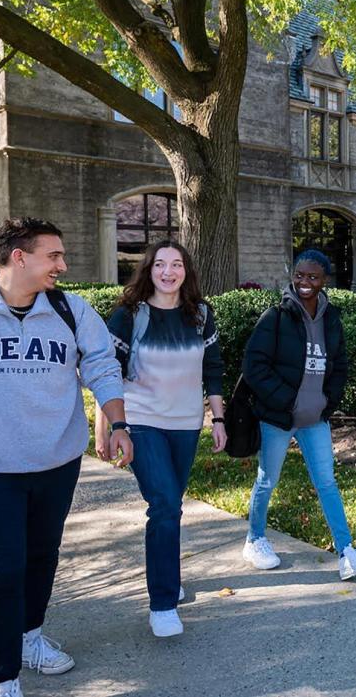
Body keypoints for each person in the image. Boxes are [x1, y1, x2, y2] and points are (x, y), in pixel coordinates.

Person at [0, 218, 132, 697]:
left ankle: (30, 637)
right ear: (19, 257)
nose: (63, 265)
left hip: (56, 467)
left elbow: (101, 366)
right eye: (53, 255)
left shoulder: (72, 311)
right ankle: (4, 678)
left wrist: (118, 424)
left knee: (41, 559)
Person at [95, 240, 226, 638]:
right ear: (148, 270)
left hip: (186, 425)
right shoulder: (129, 315)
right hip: (141, 422)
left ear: (187, 271)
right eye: (161, 265)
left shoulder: (200, 315)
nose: (169, 272)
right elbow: (107, 373)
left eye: (177, 264)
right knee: (165, 504)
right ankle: (163, 603)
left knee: (172, 505)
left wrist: (218, 418)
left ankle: (167, 573)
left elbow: (214, 370)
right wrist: (105, 427)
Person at [242, 248, 356, 580]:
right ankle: (255, 539)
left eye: (312, 277)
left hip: (316, 419)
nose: (304, 282)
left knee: (327, 482)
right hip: (278, 417)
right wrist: (287, 401)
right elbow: (254, 367)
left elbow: (340, 365)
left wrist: (329, 402)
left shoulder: (331, 319)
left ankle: (346, 552)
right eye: (299, 275)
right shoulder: (276, 317)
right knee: (267, 480)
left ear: (323, 281)